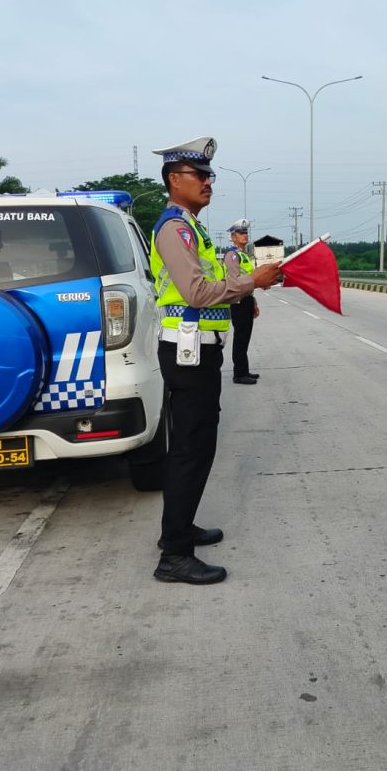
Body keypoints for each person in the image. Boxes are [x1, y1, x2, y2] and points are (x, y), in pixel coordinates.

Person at [149, 136, 283, 585]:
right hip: (187, 352)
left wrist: (256, 279)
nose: (208, 182)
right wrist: (249, 284)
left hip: (200, 351)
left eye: (209, 176)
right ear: (174, 179)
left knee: (195, 444)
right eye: (199, 175)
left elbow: (219, 280)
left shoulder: (195, 229)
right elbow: (197, 293)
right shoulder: (175, 228)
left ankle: (180, 529)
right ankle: (174, 556)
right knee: (191, 448)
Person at [223, 219, 261, 385]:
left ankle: (244, 370)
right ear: (233, 236)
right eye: (240, 233)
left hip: (247, 299)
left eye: (246, 233)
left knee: (245, 338)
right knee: (240, 338)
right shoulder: (232, 255)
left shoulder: (244, 255)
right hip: (238, 301)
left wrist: (253, 302)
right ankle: (239, 374)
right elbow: (236, 280)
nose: (244, 236)